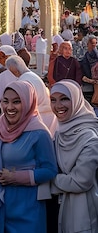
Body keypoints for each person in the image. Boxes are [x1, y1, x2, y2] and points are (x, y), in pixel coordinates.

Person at [0, 81, 57, 233]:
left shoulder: (39, 133)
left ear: (28, 102)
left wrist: (16, 177)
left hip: (28, 206)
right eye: (5, 101)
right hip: (3, 204)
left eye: (17, 101)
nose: (10, 107)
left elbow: (50, 170)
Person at [49, 79, 98, 232]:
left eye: (64, 99)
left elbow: (80, 181)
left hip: (83, 213)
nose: (58, 106)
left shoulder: (89, 138)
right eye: (53, 100)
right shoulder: (59, 132)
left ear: (76, 101)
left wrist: (47, 180)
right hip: (61, 208)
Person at [5, 55, 57, 135]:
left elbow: (26, 105)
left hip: (38, 119)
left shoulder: (24, 81)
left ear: (15, 70)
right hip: (48, 116)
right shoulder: (33, 76)